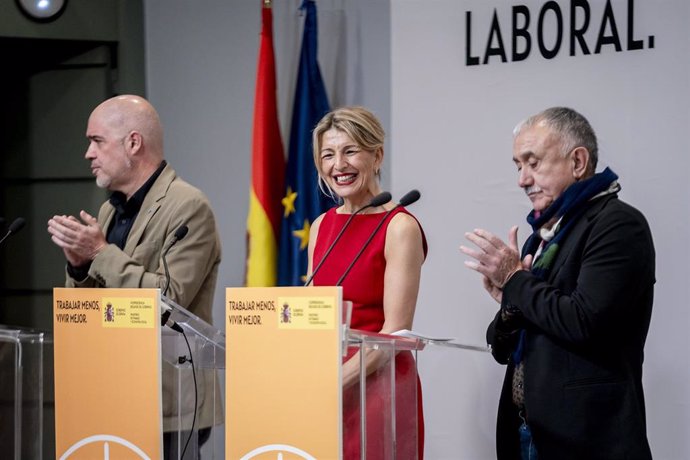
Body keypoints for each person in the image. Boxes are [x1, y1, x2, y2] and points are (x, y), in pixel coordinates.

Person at [460, 107, 655, 459]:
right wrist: (509, 305)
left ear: (578, 161)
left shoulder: (618, 225)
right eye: (518, 165)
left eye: (533, 163)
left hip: (587, 438)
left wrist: (516, 279)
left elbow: (584, 321)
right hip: (527, 431)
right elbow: (501, 348)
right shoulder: (542, 236)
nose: (522, 179)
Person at [47, 94, 222, 459]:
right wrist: (80, 266)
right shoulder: (109, 212)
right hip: (114, 392)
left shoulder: (188, 206)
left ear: (133, 143)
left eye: (96, 141)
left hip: (170, 401)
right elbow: (97, 309)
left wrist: (99, 253)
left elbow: (170, 301)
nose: (88, 154)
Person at [306, 106, 427, 459]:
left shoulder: (399, 226)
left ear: (377, 155)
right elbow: (314, 315)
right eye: (328, 154)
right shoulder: (321, 226)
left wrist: (334, 381)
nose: (338, 165)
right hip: (326, 385)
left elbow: (395, 331)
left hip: (378, 387)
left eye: (350, 151)